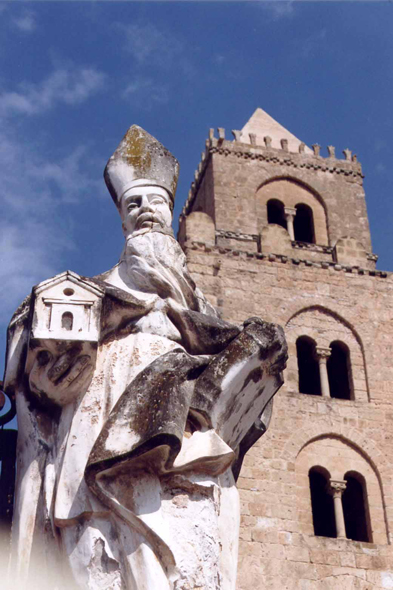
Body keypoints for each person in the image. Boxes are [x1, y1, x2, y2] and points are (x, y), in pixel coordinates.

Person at [4, 125, 287, 590]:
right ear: (122, 220)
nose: (145, 211)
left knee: (190, 549)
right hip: (96, 425)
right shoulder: (90, 292)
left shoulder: (206, 318)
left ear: (169, 211)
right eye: (133, 204)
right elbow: (34, 359)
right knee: (97, 545)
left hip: (187, 450)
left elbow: (245, 399)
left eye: (154, 202)